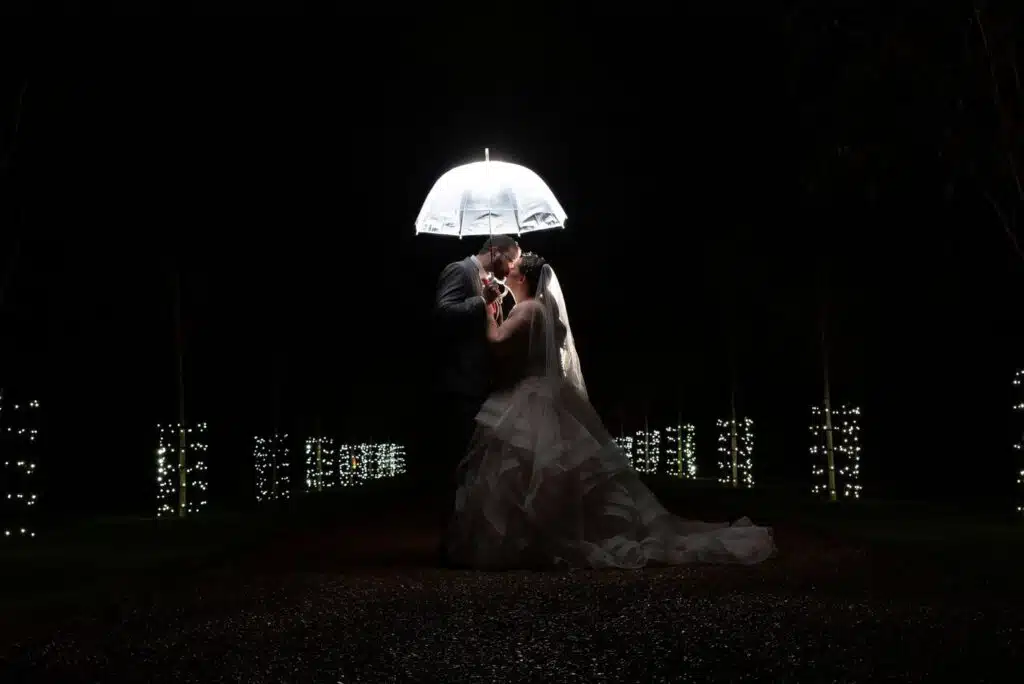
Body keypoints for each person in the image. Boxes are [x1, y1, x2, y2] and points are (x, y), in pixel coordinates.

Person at [446, 252, 776, 569]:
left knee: (527, 469)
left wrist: (490, 314)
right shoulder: (542, 311)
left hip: (528, 396)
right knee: (553, 470)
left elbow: (499, 344)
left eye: (514, 270)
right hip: (547, 393)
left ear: (524, 277)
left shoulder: (528, 310)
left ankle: (533, 540)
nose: (508, 273)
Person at [430, 235, 521, 564]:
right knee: (459, 462)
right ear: (496, 252)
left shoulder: (488, 281)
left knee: (475, 464)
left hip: (480, 382)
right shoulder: (458, 270)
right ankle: (450, 545)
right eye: (511, 260)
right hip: (460, 383)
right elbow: (442, 313)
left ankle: (466, 542)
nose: (512, 268)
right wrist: (480, 302)